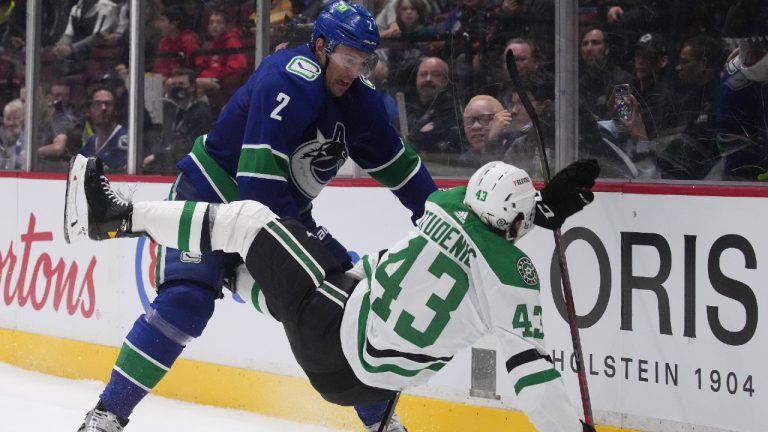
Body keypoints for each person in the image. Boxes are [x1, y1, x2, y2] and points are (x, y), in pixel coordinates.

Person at [71, 2, 438, 432]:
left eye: (363, 61)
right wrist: (322, 250)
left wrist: (440, 221)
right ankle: (106, 416)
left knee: (330, 311)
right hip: (211, 195)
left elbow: (404, 171)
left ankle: (381, 424)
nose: (353, 71)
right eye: (346, 58)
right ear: (320, 46)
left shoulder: (361, 103)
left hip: (274, 218)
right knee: (186, 301)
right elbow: (258, 190)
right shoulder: (288, 77)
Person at [65, 154, 600, 432]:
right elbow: (535, 380)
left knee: (251, 221)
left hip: (335, 333)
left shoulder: (447, 204)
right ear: (519, 222)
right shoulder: (516, 278)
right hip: (369, 385)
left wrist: (539, 205)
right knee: (338, 272)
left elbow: (487, 217)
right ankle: (239, 279)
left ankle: (114, 216)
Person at [143, 68, 213, 174]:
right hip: (172, 165)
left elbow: (189, 145)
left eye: (181, 84)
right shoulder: (173, 109)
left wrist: (157, 156)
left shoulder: (200, 112)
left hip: (192, 169)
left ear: (192, 87)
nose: (177, 87)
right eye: (174, 84)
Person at [404, 56, 462, 155]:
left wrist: (413, 136)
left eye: (436, 75)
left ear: (446, 80)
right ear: (416, 78)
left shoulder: (451, 109)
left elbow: (430, 141)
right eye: (423, 74)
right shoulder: (410, 106)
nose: (428, 79)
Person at [78, 84, 128, 172]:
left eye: (108, 104)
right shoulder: (91, 143)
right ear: (88, 110)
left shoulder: (125, 140)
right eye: (97, 104)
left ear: (115, 109)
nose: (103, 108)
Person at [457, 94, 506, 167]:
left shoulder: (516, 148)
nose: (475, 126)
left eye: (484, 119)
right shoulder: (467, 159)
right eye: (469, 121)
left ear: (502, 121)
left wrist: (493, 141)